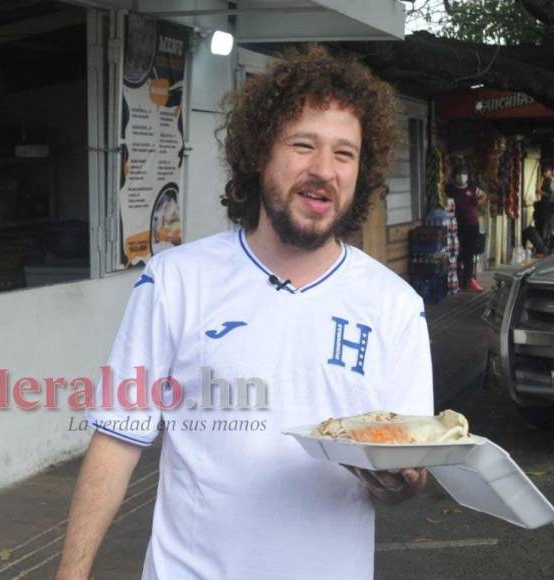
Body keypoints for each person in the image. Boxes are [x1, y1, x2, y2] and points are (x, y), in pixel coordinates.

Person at [56, 46, 433, 580]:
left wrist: (402, 480)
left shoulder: (396, 306)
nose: (323, 170)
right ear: (259, 154)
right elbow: (117, 440)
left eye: (344, 154)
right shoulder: (176, 281)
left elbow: (410, 468)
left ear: (362, 171)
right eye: (303, 145)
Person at [444, 165, 485, 292]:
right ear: (454, 176)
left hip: (472, 225)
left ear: (467, 176)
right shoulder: (450, 189)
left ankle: (469, 279)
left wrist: (478, 202)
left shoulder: (472, 188)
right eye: (459, 174)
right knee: (456, 253)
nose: (461, 177)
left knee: (470, 252)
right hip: (456, 226)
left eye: (464, 174)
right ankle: (458, 278)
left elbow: (484, 195)